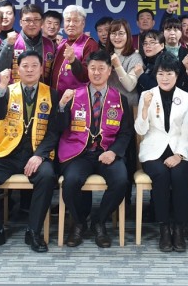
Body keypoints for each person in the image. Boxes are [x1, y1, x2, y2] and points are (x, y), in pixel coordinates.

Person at [0, 51, 61, 253]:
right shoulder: (7, 90)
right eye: (25, 66)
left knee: (47, 176)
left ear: (41, 69)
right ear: (18, 69)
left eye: (34, 66)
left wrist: (39, 155)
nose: (30, 70)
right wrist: (1, 88)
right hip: (8, 153)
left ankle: (34, 231)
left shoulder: (51, 94)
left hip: (36, 154)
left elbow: (54, 131)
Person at [58, 50, 133, 248]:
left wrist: (113, 152)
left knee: (121, 181)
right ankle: (79, 223)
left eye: (101, 68)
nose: (97, 72)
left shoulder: (120, 99)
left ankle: (99, 221)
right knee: (71, 182)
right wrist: (62, 106)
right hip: (79, 153)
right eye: (93, 68)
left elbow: (126, 133)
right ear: (87, 70)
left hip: (107, 152)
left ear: (109, 71)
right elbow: (59, 127)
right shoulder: (74, 95)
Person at [135, 55, 188, 252]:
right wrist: (144, 108)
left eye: (169, 73)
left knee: (179, 175)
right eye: (160, 74)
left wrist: (179, 155)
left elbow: (187, 131)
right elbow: (141, 130)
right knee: (160, 174)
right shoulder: (147, 95)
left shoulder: (186, 97)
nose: (165, 78)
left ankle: (179, 228)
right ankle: (164, 228)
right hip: (153, 150)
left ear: (176, 75)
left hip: (179, 149)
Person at [0, 3, 56, 84]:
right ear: (21, 22)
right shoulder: (9, 41)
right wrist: (8, 45)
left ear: (41, 22)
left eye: (36, 20)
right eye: (27, 20)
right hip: (15, 91)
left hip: (43, 90)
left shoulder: (50, 44)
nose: (32, 24)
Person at [50, 5, 100, 93]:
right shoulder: (61, 43)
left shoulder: (90, 44)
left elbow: (89, 75)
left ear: (83, 23)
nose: (71, 24)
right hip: (55, 97)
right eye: (68, 20)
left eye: (76, 21)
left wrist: (73, 60)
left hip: (77, 98)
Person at [107, 18, 144, 106]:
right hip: (108, 104)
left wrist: (117, 66)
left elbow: (130, 86)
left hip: (128, 105)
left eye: (121, 33)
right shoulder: (105, 55)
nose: (117, 37)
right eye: (113, 33)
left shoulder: (135, 57)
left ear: (128, 35)